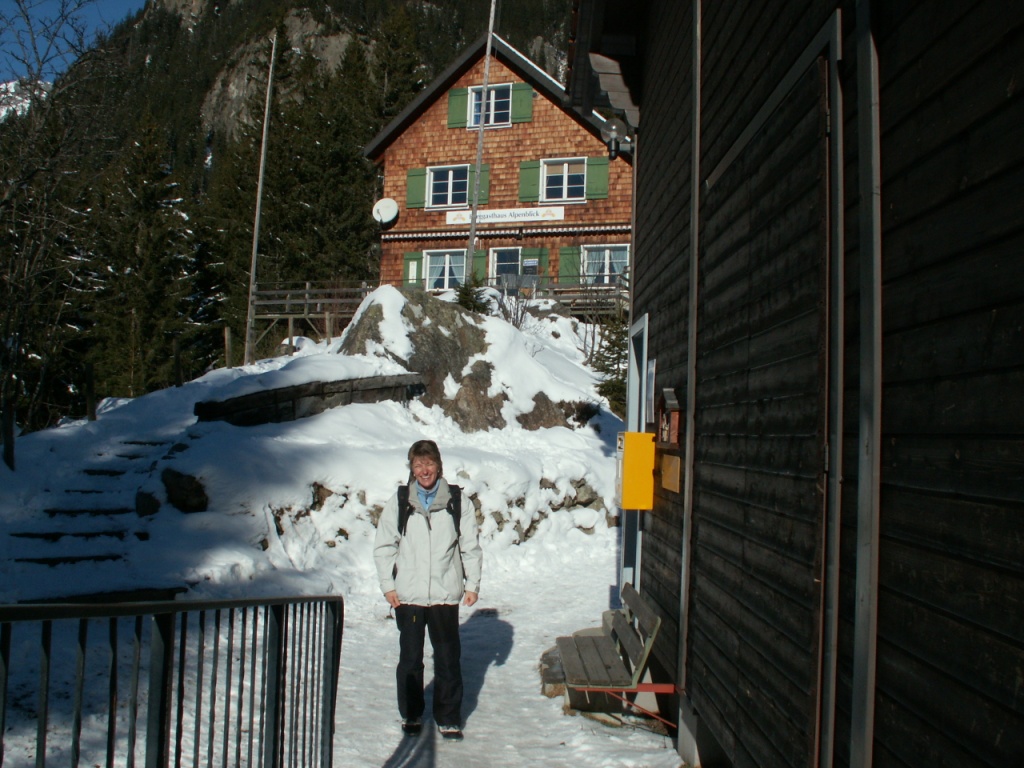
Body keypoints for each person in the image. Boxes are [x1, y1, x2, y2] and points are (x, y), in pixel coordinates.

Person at [373, 439, 482, 740]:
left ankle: (448, 716)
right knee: (410, 659)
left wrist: (472, 584)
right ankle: (411, 713)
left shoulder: (457, 502)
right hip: (408, 594)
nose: (424, 470)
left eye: (429, 463)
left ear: (438, 465)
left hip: (444, 595)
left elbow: (470, 546)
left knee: (448, 658)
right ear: (411, 468)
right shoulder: (400, 501)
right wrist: (388, 587)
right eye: (418, 464)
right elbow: (384, 547)